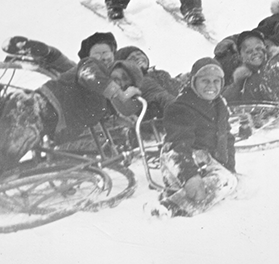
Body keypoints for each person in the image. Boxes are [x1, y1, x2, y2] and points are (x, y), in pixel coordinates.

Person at [0, 32, 142, 174]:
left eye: (126, 82)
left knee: (6, 165)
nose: (102, 57)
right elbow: (73, 66)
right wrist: (43, 51)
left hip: (43, 120)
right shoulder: (92, 68)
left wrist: (126, 115)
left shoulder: (104, 101)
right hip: (34, 110)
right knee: (5, 160)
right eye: (97, 53)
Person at [155, 58, 236, 217]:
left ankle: (176, 194)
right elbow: (178, 146)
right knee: (225, 182)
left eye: (216, 81)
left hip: (204, 161)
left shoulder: (220, 105)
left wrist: (230, 167)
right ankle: (168, 207)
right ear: (194, 82)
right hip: (178, 161)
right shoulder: (181, 107)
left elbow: (227, 138)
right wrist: (190, 177)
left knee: (229, 179)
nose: (211, 86)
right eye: (205, 81)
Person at [115, 46, 179, 120]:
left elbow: (176, 86)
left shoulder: (158, 74)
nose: (137, 57)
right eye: (131, 58)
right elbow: (161, 96)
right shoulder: (138, 83)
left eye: (139, 54)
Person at [2, 36, 76, 75]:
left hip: (57, 61)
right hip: (53, 61)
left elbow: (42, 56)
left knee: (71, 71)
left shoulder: (38, 48)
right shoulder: (31, 47)